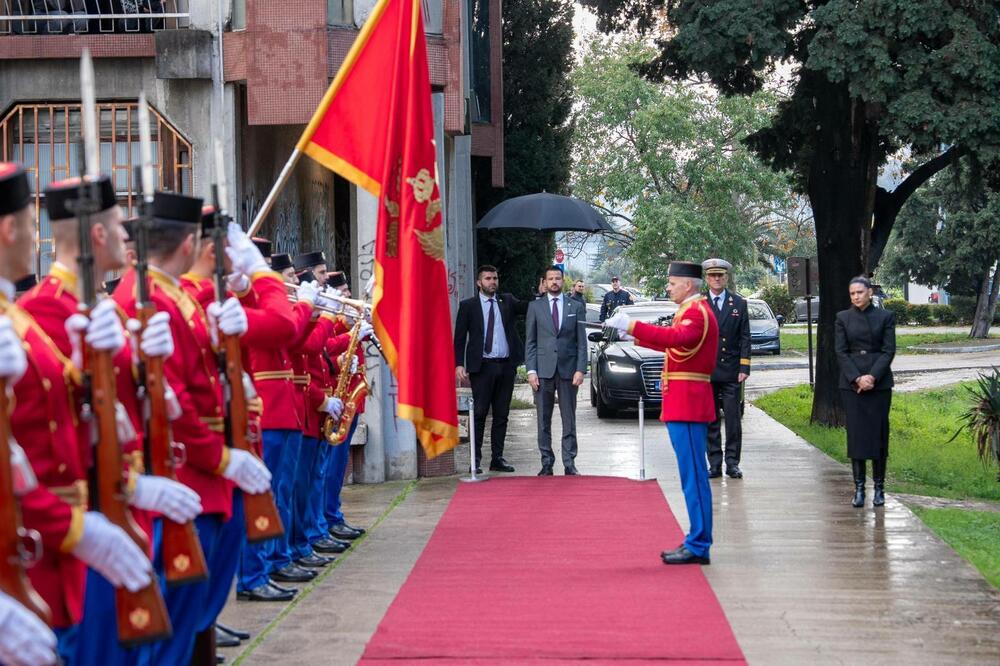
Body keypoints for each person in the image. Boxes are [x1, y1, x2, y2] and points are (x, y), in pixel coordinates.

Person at [606, 261, 719, 565]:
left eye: (672, 283)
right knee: (690, 475)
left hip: (689, 403)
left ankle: (698, 544)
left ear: (688, 285)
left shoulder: (696, 312)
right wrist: (637, 338)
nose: (668, 288)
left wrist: (632, 326)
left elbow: (677, 340)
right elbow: (676, 346)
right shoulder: (692, 310)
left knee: (693, 476)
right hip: (684, 402)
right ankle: (697, 540)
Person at [453, 265, 529, 473]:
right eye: (488, 278)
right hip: (482, 367)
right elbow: (459, 338)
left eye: (495, 278)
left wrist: (540, 294)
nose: (492, 282)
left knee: (502, 414)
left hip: (505, 365)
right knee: (479, 414)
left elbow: (527, 307)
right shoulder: (469, 306)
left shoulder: (507, 301)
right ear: (479, 282)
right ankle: (474, 460)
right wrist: (459, 363)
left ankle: (498, 458)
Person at [835, 276, 896, 508]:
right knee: (857, 436)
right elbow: (840, 352)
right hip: (852, 385)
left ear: (870, 292)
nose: (856, 297)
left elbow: (888, 350)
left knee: (879, 435)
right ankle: (859, 488)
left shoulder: (885, 317)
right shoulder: (843, 318)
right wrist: (857, 378)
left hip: (878, 384)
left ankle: (879, 487)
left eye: (860, 292)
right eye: (852, 294)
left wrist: (872, 376)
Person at [525, 265, 588, 475]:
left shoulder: (575, 306)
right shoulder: (535, 307)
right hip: (542, 371)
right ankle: (546, 462)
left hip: (569, 371)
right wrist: (531, 371)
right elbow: (531, 342)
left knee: (569, 418)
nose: (554, 282)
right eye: (550, 278)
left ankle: (570, 463)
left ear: (563, 281)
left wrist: (581, 369)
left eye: (558, 278)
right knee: (543, 419)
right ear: (544, 282)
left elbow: (581, 342)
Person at [702, 258, 751, 479]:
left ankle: (732, 463)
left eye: (720, 275)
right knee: (710, 419)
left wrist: (744, 366)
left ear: (727, 278)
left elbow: (745, 337)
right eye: (712, 275)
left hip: (732, 370)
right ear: (706, 279)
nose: (717, 278)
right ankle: (714, 463)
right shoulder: (700, 304)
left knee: (732, 420)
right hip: (707, 370)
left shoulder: (739, 304)